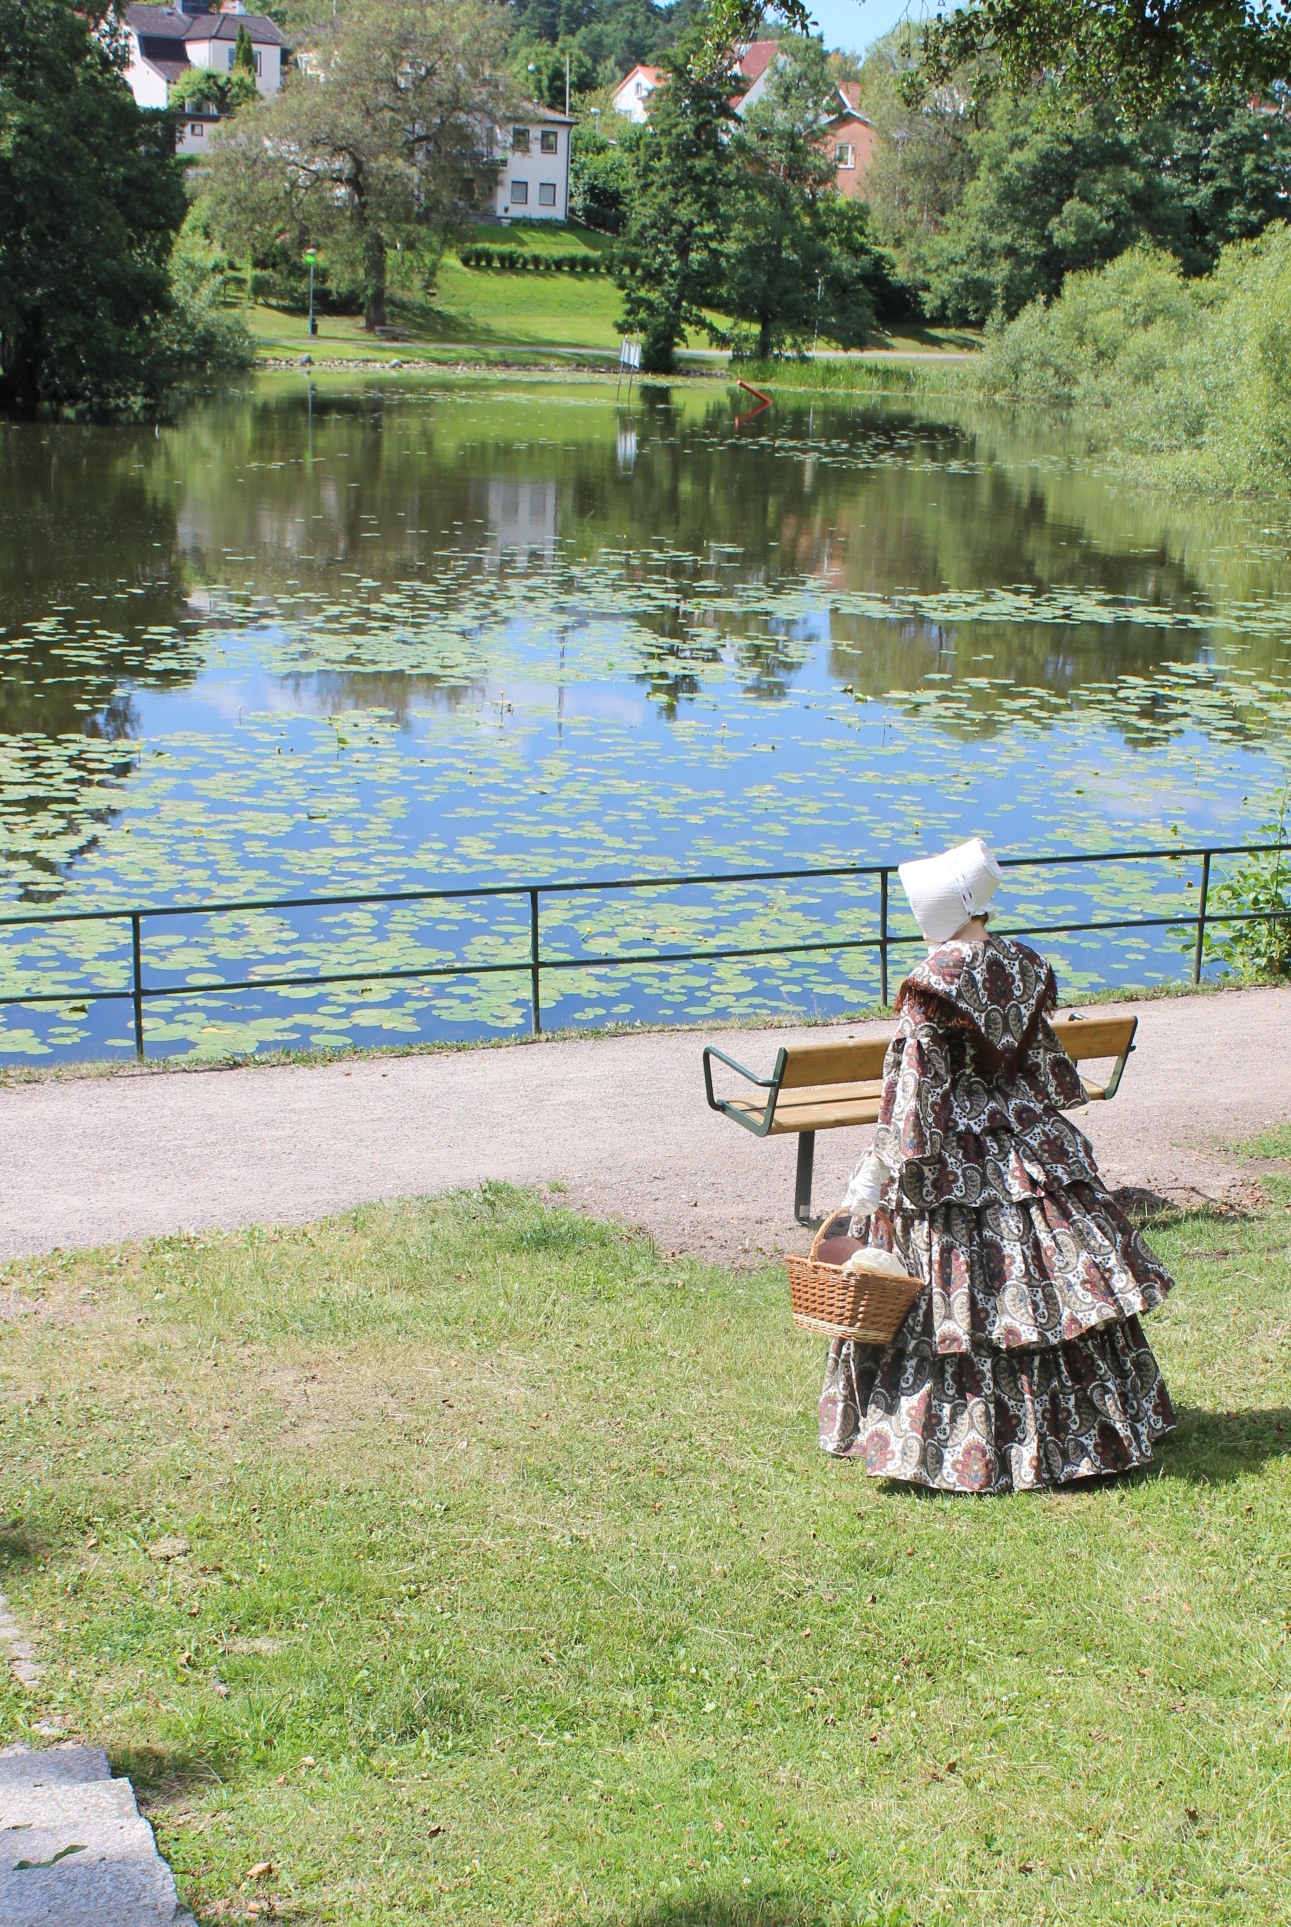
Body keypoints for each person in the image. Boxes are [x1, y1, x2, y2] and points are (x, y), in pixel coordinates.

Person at [819, 837, 1176, 1493]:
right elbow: (1044, 1070)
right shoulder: (1023, 965)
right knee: (1047, 1293)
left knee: (958, 1304)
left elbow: (915, 1094)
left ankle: (959, 1441)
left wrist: (877, 1173)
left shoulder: (931, 984)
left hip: (952, 1156)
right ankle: (1089, 1429)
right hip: (1025, 1143)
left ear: (939, 905)